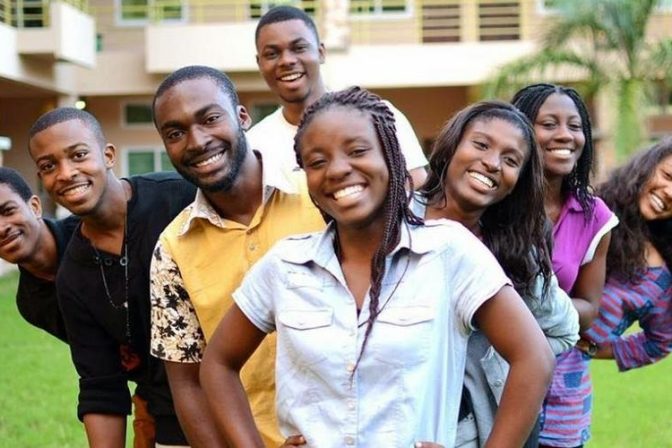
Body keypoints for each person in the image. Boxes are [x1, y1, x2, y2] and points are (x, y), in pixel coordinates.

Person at [200, 87, 554, 447]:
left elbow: (534, 357)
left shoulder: (449, 251)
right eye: (317, 162)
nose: (338, 169)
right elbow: (217, 364)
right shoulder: (285, 264)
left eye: (357, 151)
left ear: (392, 156)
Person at [149, 65, 325, 447]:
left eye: (210, 119)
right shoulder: (172, 247)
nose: (196, 141)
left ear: (242, 117)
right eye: (175, 133)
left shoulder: (319, 197)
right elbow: (188, 383)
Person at [28, 108, 195, 448]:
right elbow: (101, 385)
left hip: (254, 397)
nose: (66, 173)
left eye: (78, 155)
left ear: (108, 156)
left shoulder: (180, 197)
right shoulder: (73, 277)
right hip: (172, 421)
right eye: (48, 166)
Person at [418, 101, 580, 447]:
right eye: (481, 145)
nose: (492, 163)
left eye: (511, 160)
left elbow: (565, 330)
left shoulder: (513, 252)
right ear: (451, 147)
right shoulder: (396, 220)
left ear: (516, 182)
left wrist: (497, 355)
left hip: (468, 433)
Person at [512, 83, 619, 448]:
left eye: (575, 126)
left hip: (562, 383)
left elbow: (589, 308)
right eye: (549, 124)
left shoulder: (594, 215)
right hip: (491, 377)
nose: (565, 136)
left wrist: (530, 306)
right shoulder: (494, 203)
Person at [247, 5, 429, 188]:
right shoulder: (254, 145)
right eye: (272, 54)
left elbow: (417, 181)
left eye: (299, 48)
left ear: (321, 52)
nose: (287, 60)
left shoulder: (378, 116)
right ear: (259, 63)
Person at [574, 140, 672, 423]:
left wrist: (594, 349)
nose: (669, 192)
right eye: (667, 176)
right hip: (500, 367)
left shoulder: (657, 276)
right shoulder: (585, 211)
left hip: (564, 399)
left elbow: (659, 342)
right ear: (646, 167)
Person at [0, 166, 77, 343]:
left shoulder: (91, 232)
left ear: (35, 207)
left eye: (8, 211)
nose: (2, 229)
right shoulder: (31, 302)